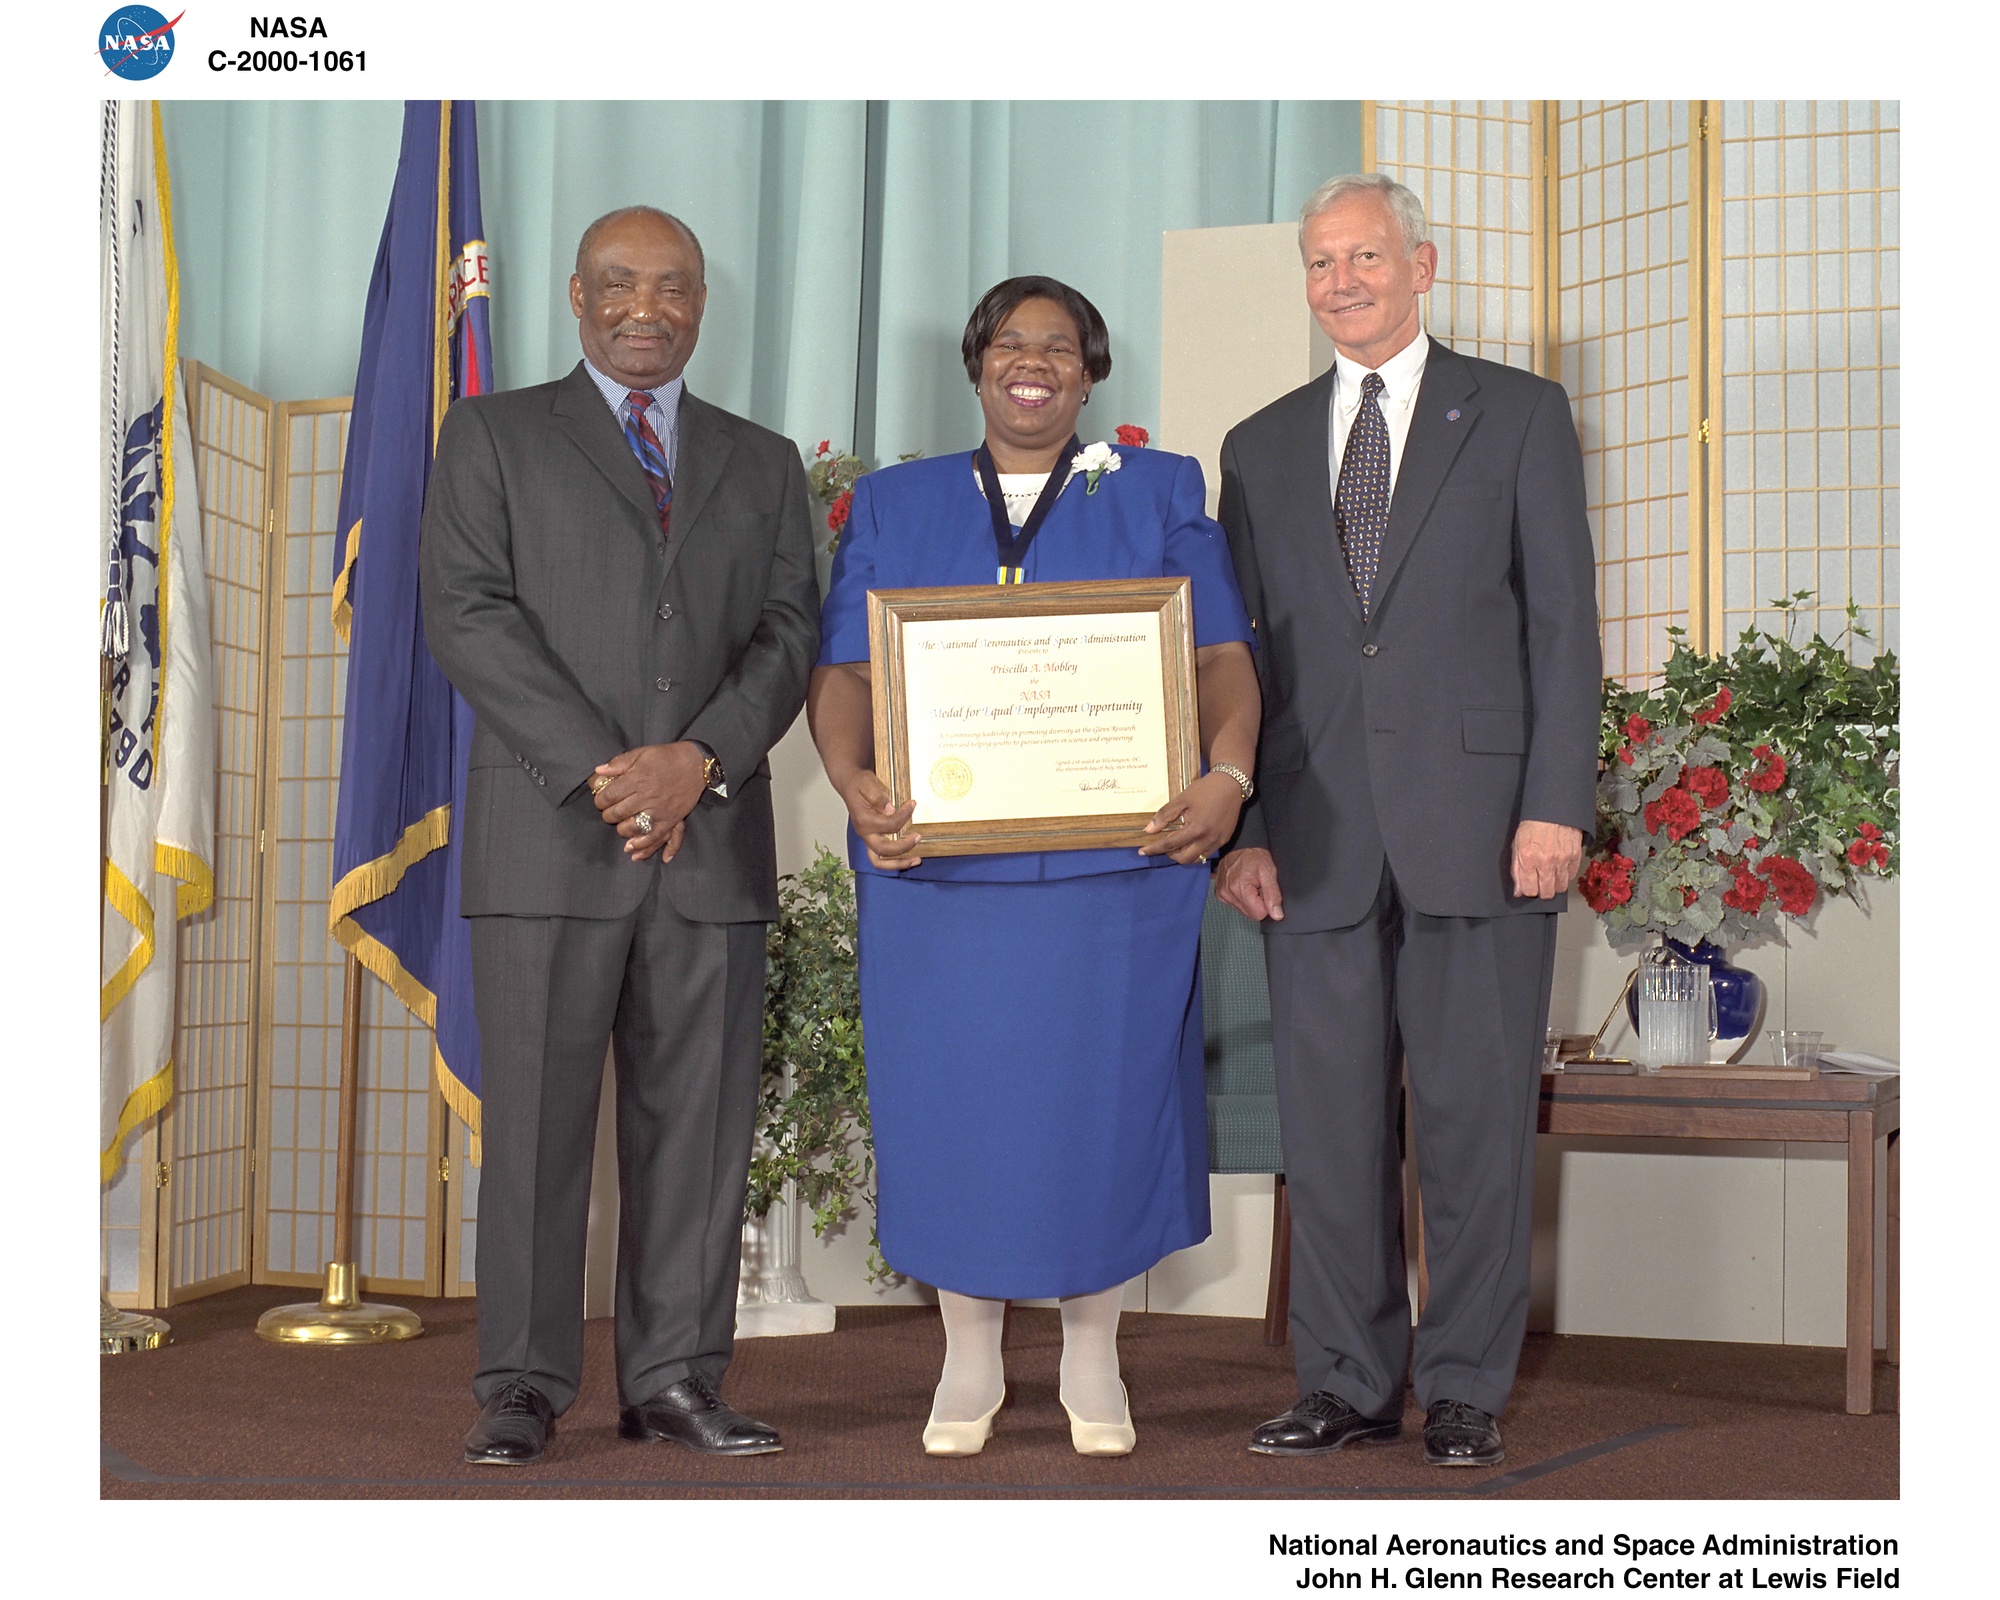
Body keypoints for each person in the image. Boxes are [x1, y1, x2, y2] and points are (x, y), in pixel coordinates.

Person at [808, 276, 1259, 1458]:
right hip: (936, 874)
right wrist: (855, 781)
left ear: (1091, 373)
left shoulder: (1156, 487)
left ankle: (1091, 1358)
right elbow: (844, 670)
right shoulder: (893, 502)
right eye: (1011, 342)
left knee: (1098, 1108)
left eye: (1060, 346)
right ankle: (965, 1359)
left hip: (1121, 867)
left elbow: (1219, 652)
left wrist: (1228, 774)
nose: (1034, 362)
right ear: (975, 364)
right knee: (954, 1108)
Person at [420, 206, 820, 1466]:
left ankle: (676, 1380)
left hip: (705, 842)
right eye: (618, 285)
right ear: (577, 297)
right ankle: (522, 1387)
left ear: (702, 303)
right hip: (553, 837)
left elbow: (788, 633)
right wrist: (612, 774)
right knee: (534, 1131)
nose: (644, 308)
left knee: (695, 1131)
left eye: (671, 287)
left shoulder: (760, 462)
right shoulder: (489, 433)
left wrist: (694, 761)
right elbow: (466, 611)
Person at [1214, 174, 1601, 1468]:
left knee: (1474, 1124)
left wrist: (1555, 802)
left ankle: (1468, 1388)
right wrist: (1245, 825)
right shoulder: (1258, 447)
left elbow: (1564, 630)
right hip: (1312, 837)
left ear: (1422, 266)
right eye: (1322, 263)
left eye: (1366, 256)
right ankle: (1342, 1380)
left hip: (1488, 827)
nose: (1343, 283)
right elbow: (1241, 661)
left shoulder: (1522, 414)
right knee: (1328, 1130)